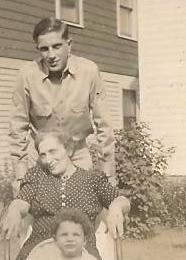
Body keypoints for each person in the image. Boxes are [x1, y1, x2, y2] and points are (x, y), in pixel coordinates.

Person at [2, 131, 130, 260]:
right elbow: (21, 202)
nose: (48, 160)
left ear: (68, 150)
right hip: (40, 247)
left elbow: (121, 200)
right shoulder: (37, 176)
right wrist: (14, 211)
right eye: (43, 155)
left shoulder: (91, 179)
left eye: (52, 151)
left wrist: (115, 208)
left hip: (80, 247)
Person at [9, 17, 115, 193]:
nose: (51, 55)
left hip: (77, 154)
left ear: (69, 44)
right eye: (44, 49)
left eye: (57, 46)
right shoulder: (26, 75)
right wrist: (20, 176)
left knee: (83, 211)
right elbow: (17, 128)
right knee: (37, 212)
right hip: (42, 157)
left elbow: (104, 125)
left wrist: (108, 173)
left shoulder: (88, 72)